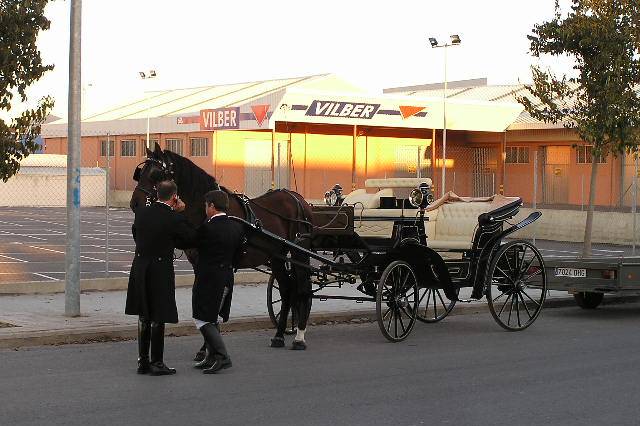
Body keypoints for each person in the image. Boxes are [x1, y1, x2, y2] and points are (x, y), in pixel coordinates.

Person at [125, 180, 196, 376]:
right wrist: (182, 213)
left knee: (143, 314)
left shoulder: (141, 213)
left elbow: (136, 234)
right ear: (175, 197)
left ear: (157, 194)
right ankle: (157, 362)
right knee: (158, 314)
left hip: (140, 266)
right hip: (159, 268)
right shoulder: (174, 218)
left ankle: (143, 361)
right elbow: (190, 238)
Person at [192, 190, 244, 374]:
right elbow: (239, 256)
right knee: (211, 317)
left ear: (212, 206)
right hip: (226, 276)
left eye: (206, 206)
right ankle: (211, 356)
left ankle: (222, 356)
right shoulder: (236, 227)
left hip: (209, 278)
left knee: (202, 318)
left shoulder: (208, 227)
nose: (205, 209)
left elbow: (192, 241)